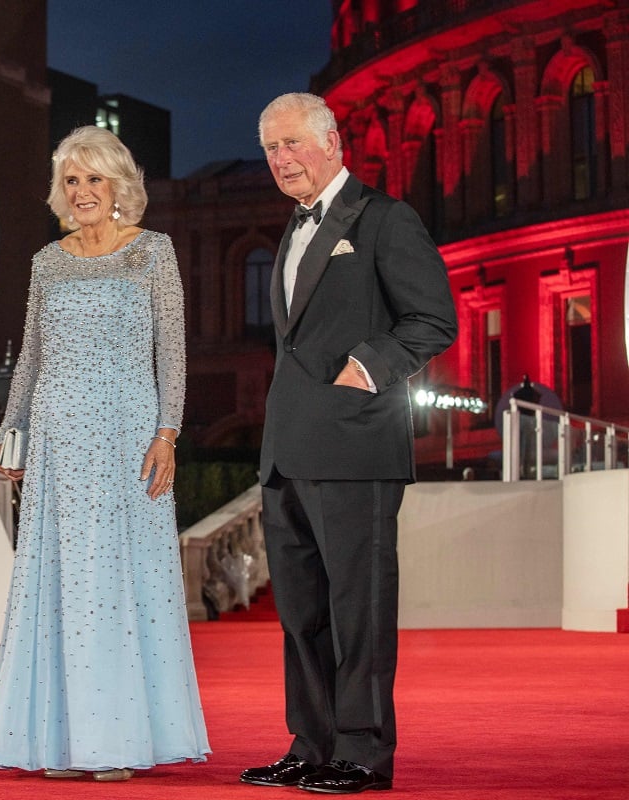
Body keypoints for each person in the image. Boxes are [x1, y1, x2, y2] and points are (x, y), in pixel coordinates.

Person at [0, 125, 210, 782]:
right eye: (72, 181)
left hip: (130, 437)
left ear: (119, 186)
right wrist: (12, 430)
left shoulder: (153, 253)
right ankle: (62, 741)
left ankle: (117, 738)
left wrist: (168, 433)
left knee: (118, 584)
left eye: (93, 179)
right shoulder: (48, 261)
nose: (81, 192)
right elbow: (32, 356)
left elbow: (173, 352)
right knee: (63, 584)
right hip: (58, 441)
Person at [241, 93, 457, 794]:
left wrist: (366, 367)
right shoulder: (292, 229)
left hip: (357, 447)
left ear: (334, 143)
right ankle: (311, 744)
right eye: (271, 148)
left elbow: (432, 319)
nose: (282, 159)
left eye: (294, 143)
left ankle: (363, 753)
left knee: (357, 610)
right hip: (287, 452)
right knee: (301, 614)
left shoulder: (385, 219)